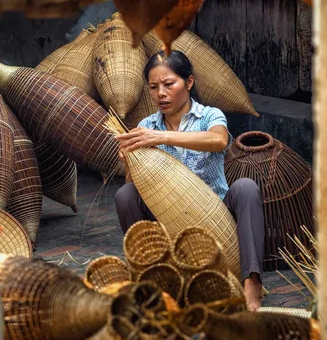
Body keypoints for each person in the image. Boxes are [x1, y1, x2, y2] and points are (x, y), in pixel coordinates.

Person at [113, 50, 264, 311]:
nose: (161, 93)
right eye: (153, 87)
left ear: (189, 82)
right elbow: (134, 183)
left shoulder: (209, 115)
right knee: (125, 194)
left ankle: (252, 283)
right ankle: (153, 283)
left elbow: (218, 140)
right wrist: (131, 163)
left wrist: (162, 138)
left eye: (169, 84)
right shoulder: (147, 125)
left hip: (216, 212)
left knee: (246, 188)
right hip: (168, 219)